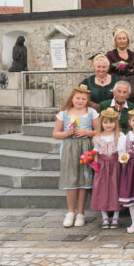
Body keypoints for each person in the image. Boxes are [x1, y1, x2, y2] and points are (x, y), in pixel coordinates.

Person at [52, 84, 99, 227]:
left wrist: (86, 132)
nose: (80, 101)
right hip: (69, 147)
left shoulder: (91, 112)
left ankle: (80, 213)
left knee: (83, 180)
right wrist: (66, 133)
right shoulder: (64, 113)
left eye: (83, 99)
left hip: (85, 148)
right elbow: (55, 134)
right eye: (78, 98)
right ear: (72, 98)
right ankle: (70, 212)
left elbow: (98, 132)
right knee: (71, 180)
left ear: (87, 101)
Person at [91, 107, 125, 229]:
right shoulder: (98, 137)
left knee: (116, 188)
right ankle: (104, 216)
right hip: (102, 165)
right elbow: (96, 152)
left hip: (115, 165)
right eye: (105, 122)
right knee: (101, 189)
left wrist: (123, 164)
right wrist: (95, 164)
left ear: (115, 123)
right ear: (101, 123)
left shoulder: (119, 136)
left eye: (111, 122)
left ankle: (116, 216)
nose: (108, 125)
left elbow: (123, 152)